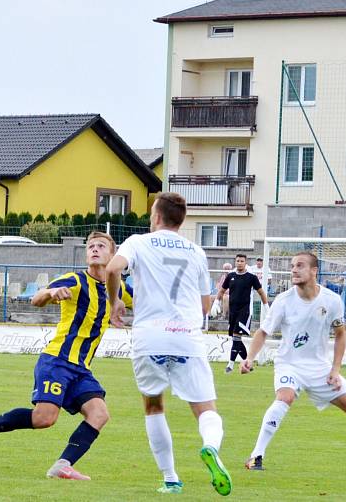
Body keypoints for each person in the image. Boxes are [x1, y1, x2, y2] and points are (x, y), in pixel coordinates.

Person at [0, 232, 133, 481]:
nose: (95, 250)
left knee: (99, 414)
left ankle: (63, 464)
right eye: (91, 246)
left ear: (114, 256)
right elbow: (37, 298)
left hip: (81, 368)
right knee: (44, 419)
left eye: (101, 246)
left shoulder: (119, 289)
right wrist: (50, 294)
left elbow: (148, 300)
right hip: (56, 361)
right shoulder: (75, 280)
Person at [107, 192, 233, 497]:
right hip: (186, 337)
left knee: (153, 406)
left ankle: (171, 478)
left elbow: (113, 269)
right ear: (182, 220)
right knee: (205, 409)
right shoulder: (196, 251)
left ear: (157, 216)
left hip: (150, 337)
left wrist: (114, 303)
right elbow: (205, 306)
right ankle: (210, 448)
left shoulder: (138, 242)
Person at [241, 251, 346, 474]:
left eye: (300, 265)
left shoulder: (332, 300)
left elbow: (340, 334)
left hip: (319, 367)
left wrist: (335, 370)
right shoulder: (283, 301)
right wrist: (249, 358)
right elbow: (263, 332)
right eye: (292, 266)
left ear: (314, 271)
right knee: (285, 396)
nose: (294, 270)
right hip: (289, 364)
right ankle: (255, 457)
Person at [213, 254, 269, 374]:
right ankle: (248, 363)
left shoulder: (251, 277)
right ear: (235, 262)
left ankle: (230, 365)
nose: (239, 263)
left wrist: (266, 307)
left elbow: (261, 292)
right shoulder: (231, 276)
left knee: (237, 337)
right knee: (236, 339)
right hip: (233, 311)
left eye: (241, 261)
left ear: (245, 262)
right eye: (237, 261)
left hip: (245, 312)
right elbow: (222, 291)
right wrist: (216, 303)